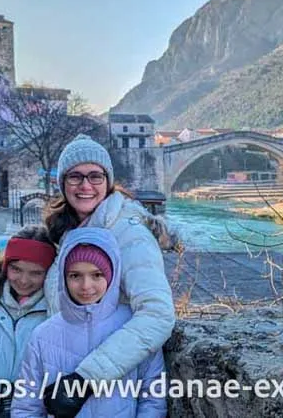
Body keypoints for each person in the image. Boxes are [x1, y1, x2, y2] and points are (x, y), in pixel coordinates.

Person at [41, 134, 175, 416]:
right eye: (75, 177)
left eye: (95, 176)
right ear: (62, 183)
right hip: (65, 389)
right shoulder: (69, 234)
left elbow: (158, 314)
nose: (85, 185)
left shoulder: (129, 233)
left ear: (108, 181)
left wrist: (86, 379)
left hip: (110, 391)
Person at [12, 227, 166, 417]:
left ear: (111, 275)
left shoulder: (135, 326)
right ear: (63, 277)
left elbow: (153, 398)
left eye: (97, 275)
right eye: (75, 275)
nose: (86, 286)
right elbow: (26, 406)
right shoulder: (43, 335)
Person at [0, 225, 57, 418]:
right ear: (6, 266)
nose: (23, 280)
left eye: (35, 273)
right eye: (16, 269)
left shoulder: (54, 313)